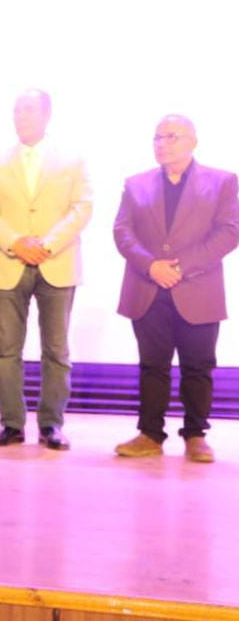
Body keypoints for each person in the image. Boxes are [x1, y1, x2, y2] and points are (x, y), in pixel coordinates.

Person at [112, 115, 239, 463]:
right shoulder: (135, 184)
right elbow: (122, 231)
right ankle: (149, 434)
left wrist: (181, 267)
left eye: (171, 136)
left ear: (193, 141)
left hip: (198, 287)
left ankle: (196, 435)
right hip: (148, 287)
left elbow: (230, 232)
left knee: (198, 365)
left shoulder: (222, 181)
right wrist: (151, 265)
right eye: (157, 137)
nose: (162, 143)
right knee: (152, 365)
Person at [0, 90, 93, 450]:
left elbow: (82, 207)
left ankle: (51, 424)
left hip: (56, 261)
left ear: (47, 114)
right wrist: (16, 242)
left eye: (28, 110)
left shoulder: (72, 159)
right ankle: (11, 424)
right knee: (6, 350)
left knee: (56, 349)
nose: (20, 116)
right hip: (9, 261)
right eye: (16, 110)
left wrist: (46, 244)